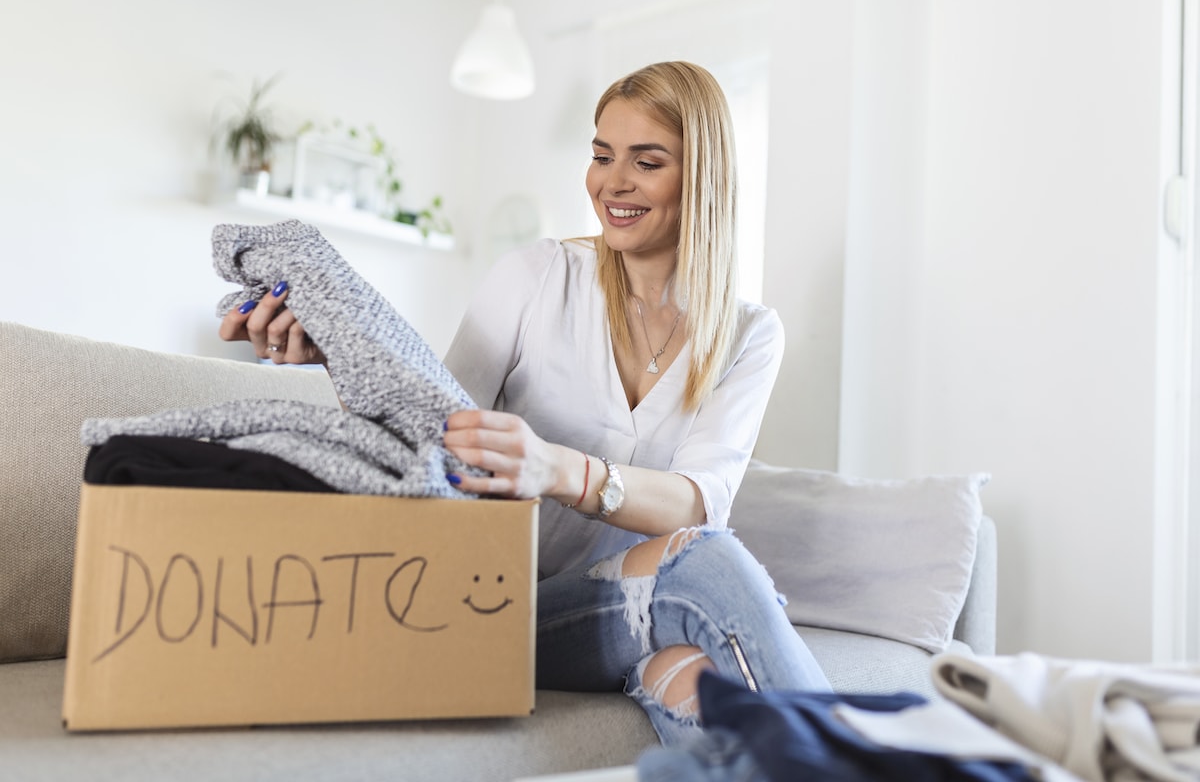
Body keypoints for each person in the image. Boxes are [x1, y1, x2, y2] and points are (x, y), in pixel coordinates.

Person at [219, 60, 830, 745]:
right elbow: (428, 436)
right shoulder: (537, 278)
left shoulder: (748, 334)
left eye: (646, 161)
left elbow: (699, 500)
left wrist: (561, 470)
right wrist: (342, 355)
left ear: (703, 179)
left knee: (698, 681)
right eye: (601, 156)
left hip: (614, 617)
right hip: (490, 602)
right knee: (703, 559)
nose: (612, 183)